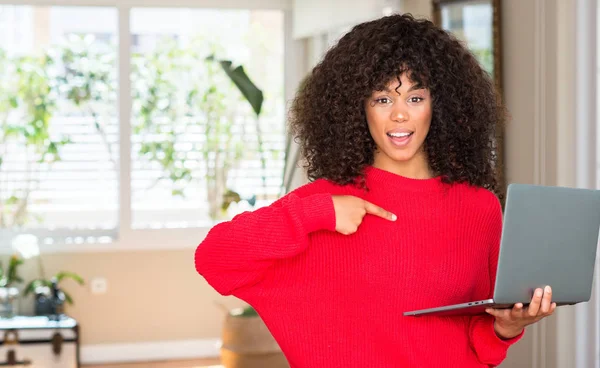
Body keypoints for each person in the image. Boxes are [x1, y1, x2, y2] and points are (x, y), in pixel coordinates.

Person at [195, 13, 554, 367]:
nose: (400, 114)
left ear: (439, 106)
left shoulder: (480, 208)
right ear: (357, 107)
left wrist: (505, 329)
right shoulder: (326, 203)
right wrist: (317, 213)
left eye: (415, 98)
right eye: (382, 99)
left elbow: (478, 340)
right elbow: (214, 258)